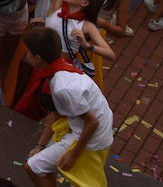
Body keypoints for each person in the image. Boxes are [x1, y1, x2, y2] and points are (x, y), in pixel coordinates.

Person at [16, 26, 114, 187]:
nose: (25, 56)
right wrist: (41, 145)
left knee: (33, 167)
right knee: (40, 163)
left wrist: (73, 154)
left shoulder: (62, 87)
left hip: (92, 138)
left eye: (27, 52)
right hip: (83, 127)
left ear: (38, 58)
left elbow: (92, 123)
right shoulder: (62, 70)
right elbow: (56, 113)